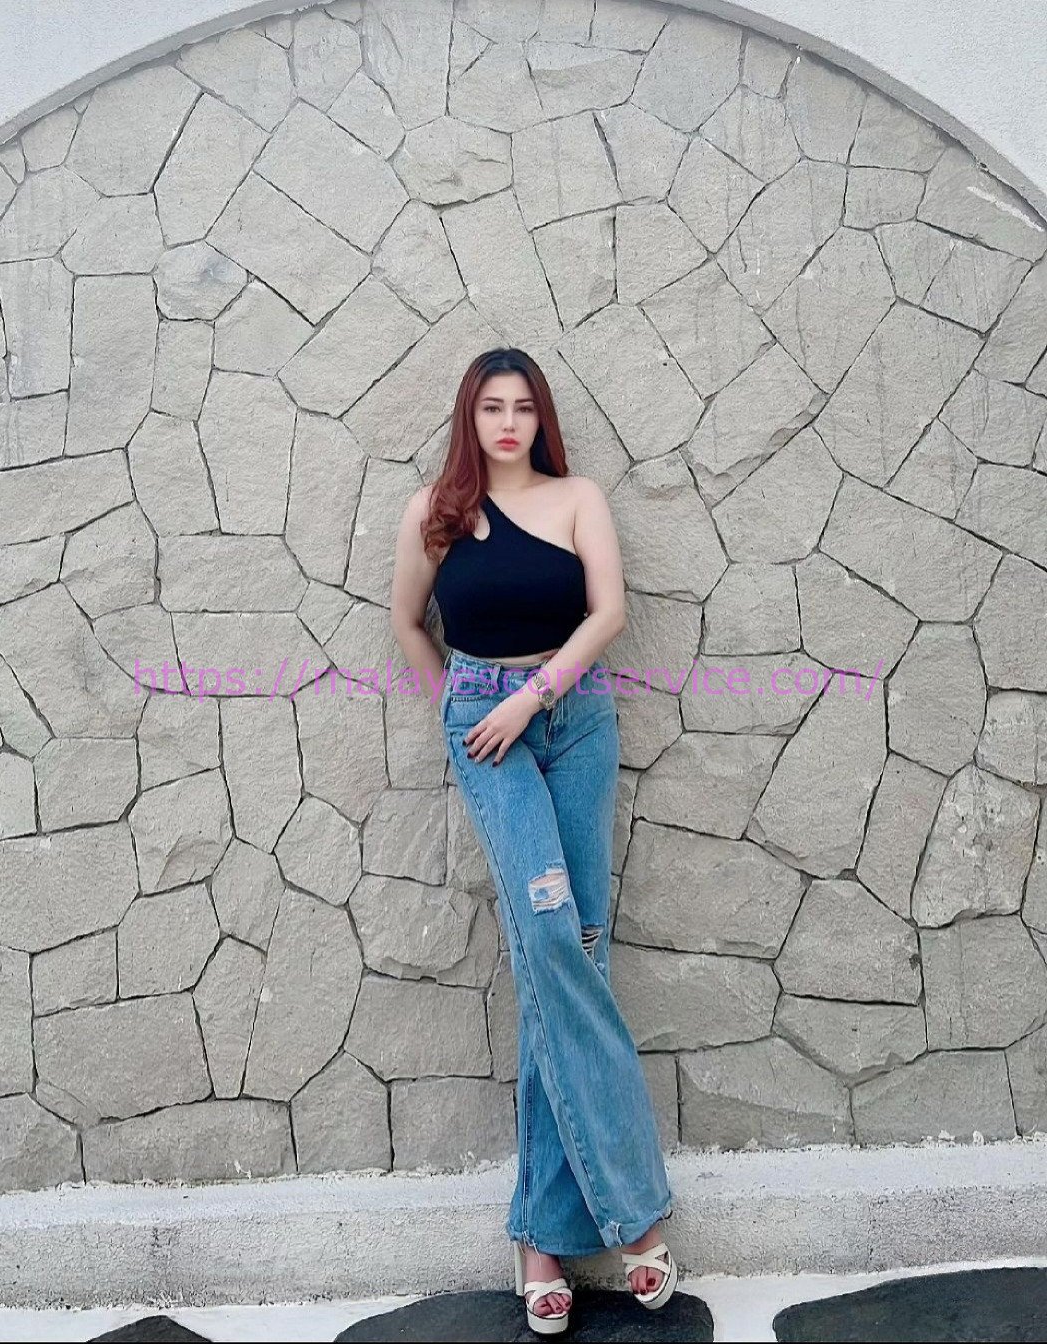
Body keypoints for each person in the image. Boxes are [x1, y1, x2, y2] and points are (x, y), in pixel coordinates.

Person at [390, 347, 677, 1334]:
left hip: (575, 719)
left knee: (573, 951)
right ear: (468, 418)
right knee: (553, 937)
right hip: (488, 732)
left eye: (521, 407)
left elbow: (609, 612)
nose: (506, 422)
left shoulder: (577, 498)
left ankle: (539, 1237)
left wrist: (534, 696)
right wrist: (463, 712)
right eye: (490, 407)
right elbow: (408, 622)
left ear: (540, 417)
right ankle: (637, 1215)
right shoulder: (435, 512)